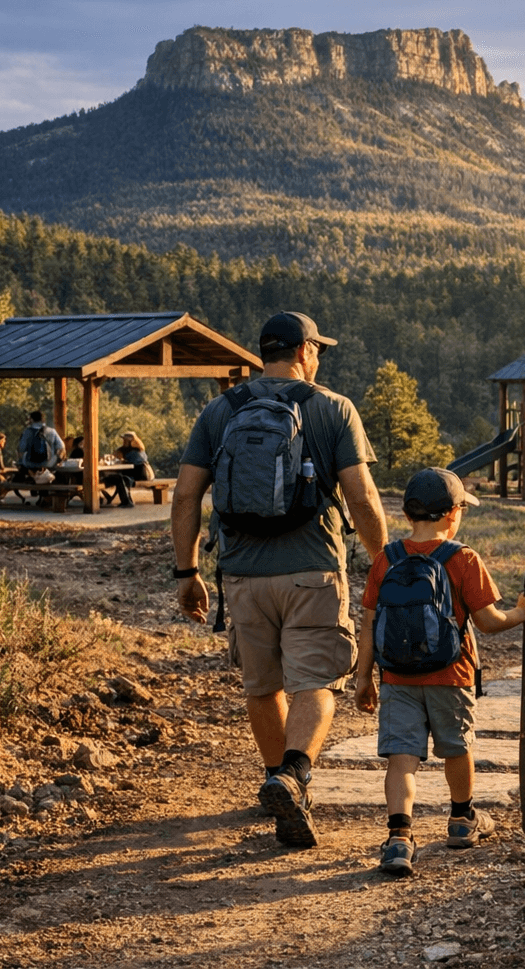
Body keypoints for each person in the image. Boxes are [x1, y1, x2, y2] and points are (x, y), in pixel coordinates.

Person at [172, 311, 386, 850]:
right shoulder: (333, 408)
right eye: (319, 350)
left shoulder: (220, 411)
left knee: (262, 686)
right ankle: (292, 775)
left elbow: (184, 496)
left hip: (242, 576)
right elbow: (361, 497)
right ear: (305, 351)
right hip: (312, 571)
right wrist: (386, 562)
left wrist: (187, 571)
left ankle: (276, 779)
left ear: (264, 353)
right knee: (315, 684)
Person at [353, 467, 525, 877]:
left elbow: (369, 622)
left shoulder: (386, 558)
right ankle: (462, 819)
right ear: (452, 513)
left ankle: (399, 839)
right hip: (451, 675)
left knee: (401, 759)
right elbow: (489, 621)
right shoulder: (462, 558)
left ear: (408, 515)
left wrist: (362, 677)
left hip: (397, 678)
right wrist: (523, 612)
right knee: (456, 748)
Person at [102, 430, 152, 508]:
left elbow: (132, 464)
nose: (124, 441)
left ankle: (126, 501)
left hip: (139, 474)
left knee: (119, 478)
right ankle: (124, 500)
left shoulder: (136, 451)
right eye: (124, 440)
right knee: (117, 477)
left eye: (126, 440)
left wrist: (120, 461)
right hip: (135, 472)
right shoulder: (128, 449)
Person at [13, 410, 65, 483]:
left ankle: (33, 477)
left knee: (22, 460)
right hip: (49, 464)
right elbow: (61, 447)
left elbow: (21, 449)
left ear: (31, 419)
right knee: (54, 457)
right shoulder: (52, 431)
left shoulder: (27, 432)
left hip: (30, 464)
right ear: (43, 419)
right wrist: (58, 459)